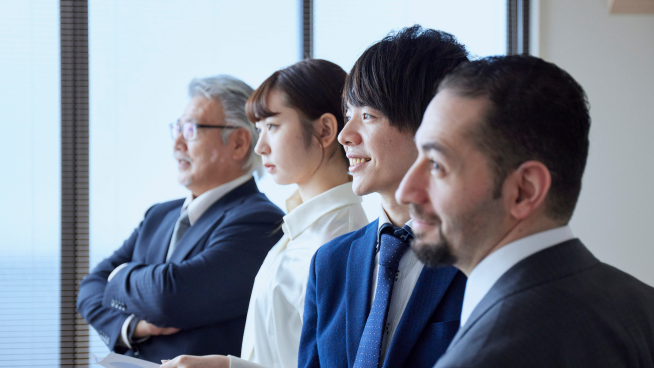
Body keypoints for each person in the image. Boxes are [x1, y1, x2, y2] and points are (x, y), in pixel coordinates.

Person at [396, 55, 654, 368]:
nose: (405, 191)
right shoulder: (642, 306)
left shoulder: (482, 358)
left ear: (524, 191)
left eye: (436, 165)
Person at [160, 59, 369, 368]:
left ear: (325, 130)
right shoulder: (301, 229)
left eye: (272, 126)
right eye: (259, 130)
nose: (260, 147)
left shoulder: (341, 240)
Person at [77, 75, 285, 363]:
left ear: (239, 143)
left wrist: (118, 275)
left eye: (191, 130)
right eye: (177, 128)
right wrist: (132, 327)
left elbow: (170, 298)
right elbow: (89, 289)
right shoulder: (159, 215)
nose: (177, 142)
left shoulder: (261, 221)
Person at [298, 25, 469, 368]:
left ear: (432, 124)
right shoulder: (330, 263)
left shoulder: (478, 258)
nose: (345, 135)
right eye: (348, 117)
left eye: (367, 115)